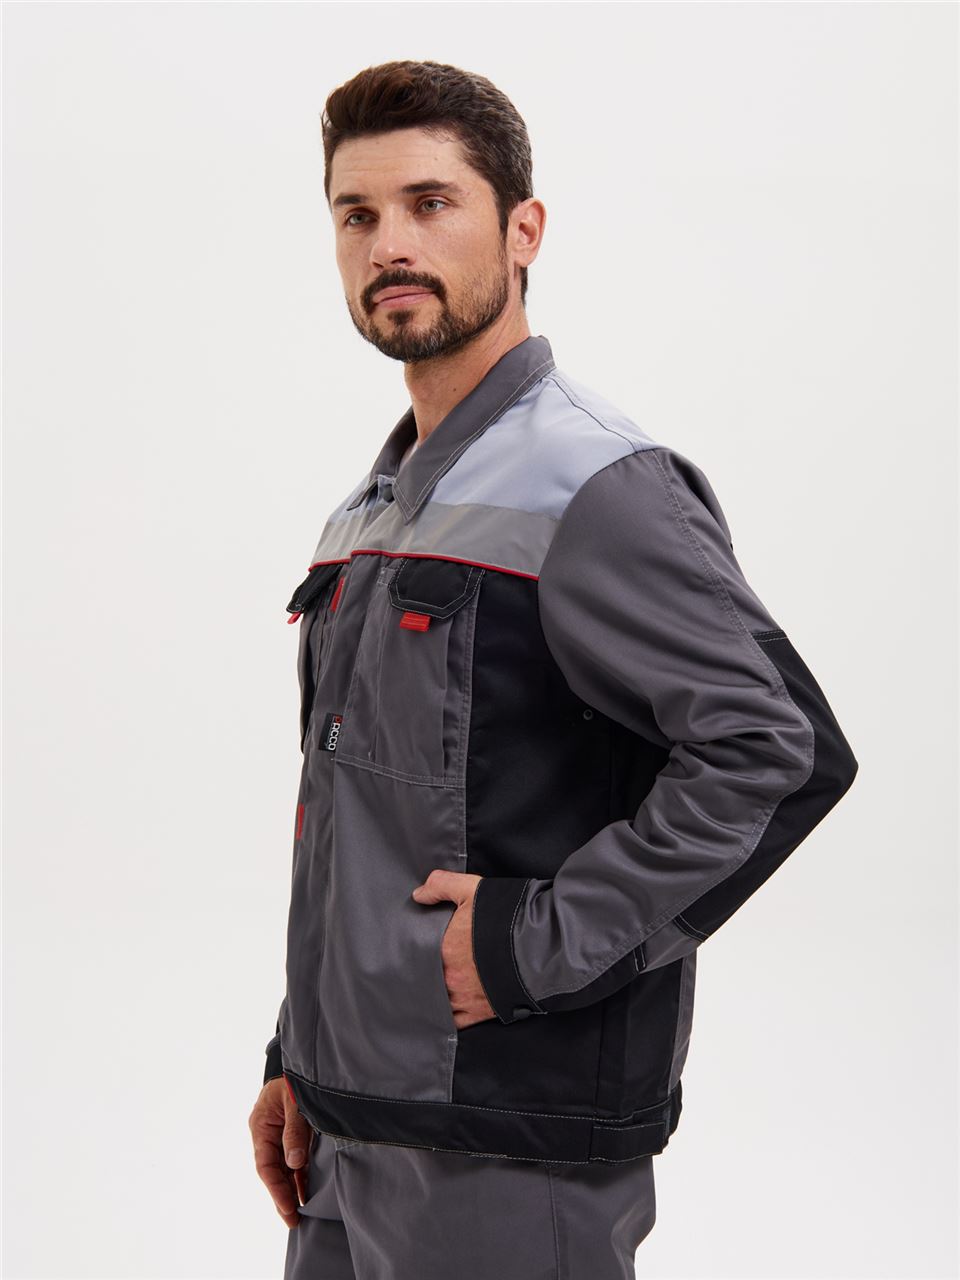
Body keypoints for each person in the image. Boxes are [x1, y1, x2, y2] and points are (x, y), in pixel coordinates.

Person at [248, 59, 859, 1280]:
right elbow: (362, 821)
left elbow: (775, 751)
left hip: (503, 1147)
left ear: (523, 229)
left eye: (431, 203)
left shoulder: (596, 485)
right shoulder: (368, 512)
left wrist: (534, 943)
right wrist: (296, 1055)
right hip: (350, 1130)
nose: (389, 244)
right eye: (357, 214)